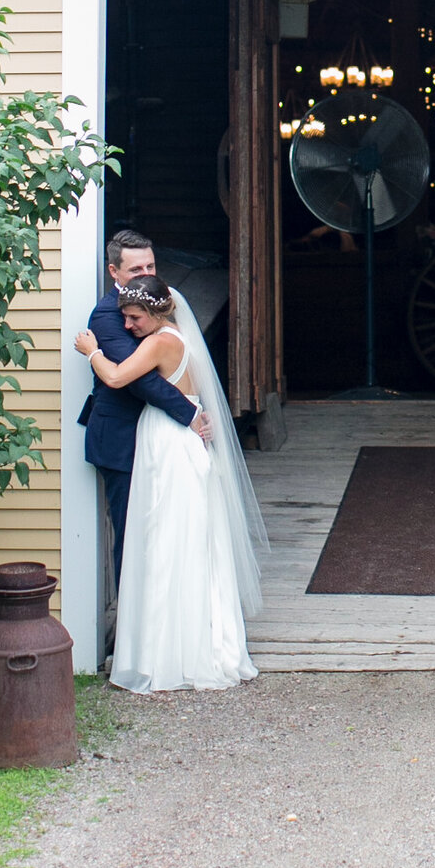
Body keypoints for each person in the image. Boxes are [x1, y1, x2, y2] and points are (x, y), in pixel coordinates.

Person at [75, 274, 268, 693]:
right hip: (177, 441)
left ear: (155, 311)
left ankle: (167, 657)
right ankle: (186, 649)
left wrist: (92, 352)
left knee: (167, 544)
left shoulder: (162, 341)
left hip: (171, 446)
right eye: (124, 318)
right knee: (182, 544)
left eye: (133, 317)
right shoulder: (179, 337)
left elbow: (116, 376)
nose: (128, 326)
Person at [79, 229, 208, 585]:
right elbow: (139, 380)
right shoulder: (109, 316)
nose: (147, 273)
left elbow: (176, 366)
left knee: (165, 538)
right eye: (136, 269)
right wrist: (191, 413)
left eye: (151, 265)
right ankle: (131, 633)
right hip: (122, 439)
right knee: (132, 539)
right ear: (114, 272)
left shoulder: (162, 305)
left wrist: (195, 406)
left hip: (162, 440)